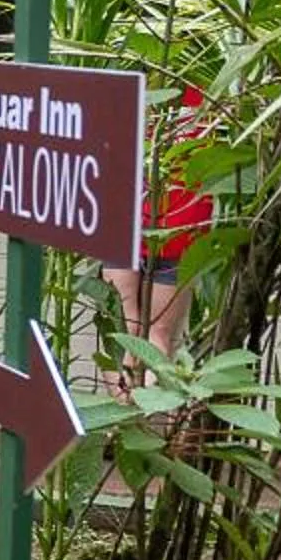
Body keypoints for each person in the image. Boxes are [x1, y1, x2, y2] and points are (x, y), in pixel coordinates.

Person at [106, 83, 213, 391]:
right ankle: (140, 421)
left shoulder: (132, 78)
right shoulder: (211, 85)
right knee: (156, 335)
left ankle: (123, 422)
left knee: (129, 333)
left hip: (123, 228)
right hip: (178, 233)